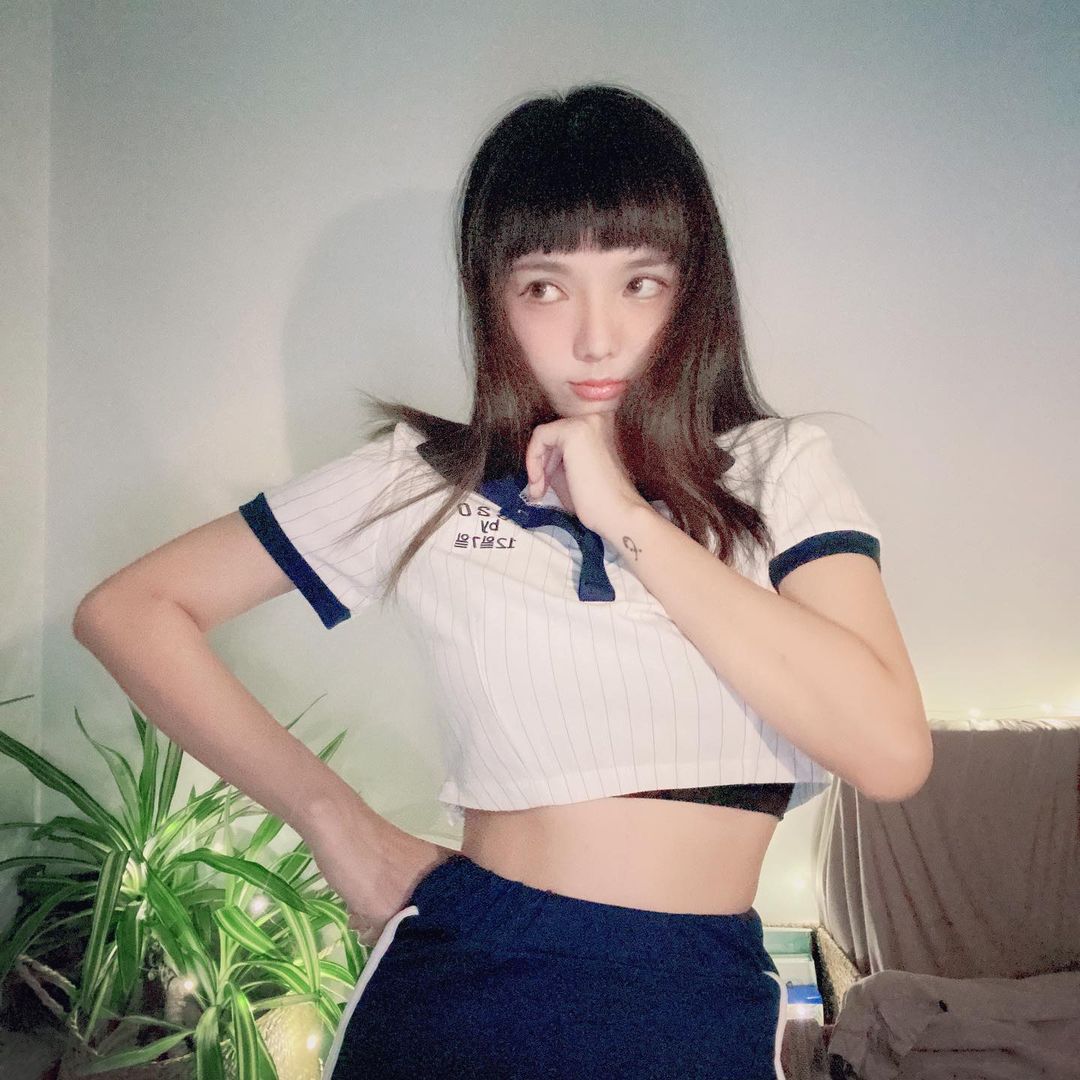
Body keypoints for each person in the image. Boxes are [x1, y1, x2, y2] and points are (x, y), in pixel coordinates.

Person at [73, 84, 931, 1080]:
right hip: (468, 982)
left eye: (640, 282)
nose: (596, 337)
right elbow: (129, 612)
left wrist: (626, 519)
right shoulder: (426, 480)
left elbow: (889, 751)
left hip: (699, 1000)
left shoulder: (775, 469)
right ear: (493, 299)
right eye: (545, 287)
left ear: (693, 290)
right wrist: (337, 826)